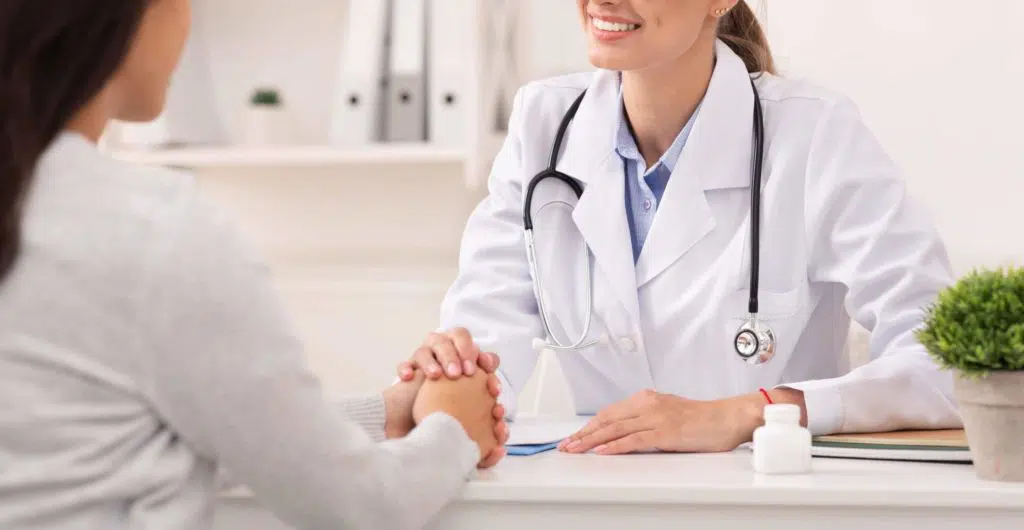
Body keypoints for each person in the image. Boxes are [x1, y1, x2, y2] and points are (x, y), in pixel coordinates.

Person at [0, 1, 508, 529]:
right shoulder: (158, 232)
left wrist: (388, 412)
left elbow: (128, 440)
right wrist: (453, 431)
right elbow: (359, 506)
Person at [399, 0, 962, 455]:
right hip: (595, 501)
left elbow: (949, 366)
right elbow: (482, 349)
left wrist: (749, 413)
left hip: (773, 508)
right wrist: (454, 373)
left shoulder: (816, 134)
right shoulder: (543, 123)